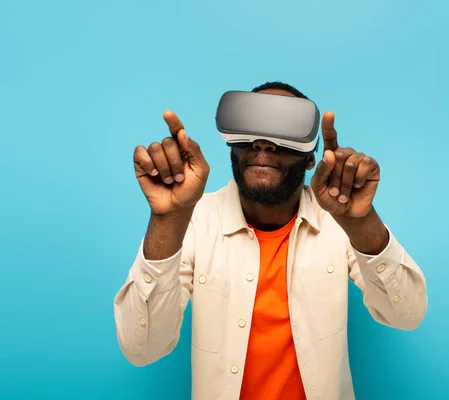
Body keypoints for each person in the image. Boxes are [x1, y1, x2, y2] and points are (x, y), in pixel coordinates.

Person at [113, 81, 428, 400]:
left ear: (310, 158)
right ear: (233, 146)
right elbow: (143, 349)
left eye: (286, 130)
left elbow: (406, 314)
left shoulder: (339, 219)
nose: (264, 143)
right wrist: (168, 219)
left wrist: (360, 222)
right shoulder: (194, 220)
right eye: (251, 130)